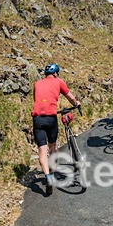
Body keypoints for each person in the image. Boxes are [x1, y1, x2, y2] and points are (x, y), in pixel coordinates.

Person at [31, 63, 80, 195]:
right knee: (53, 146)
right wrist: (76, 103)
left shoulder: (37, 83)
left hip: (37, 119)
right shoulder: (58, 81)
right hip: (50, 118)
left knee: (42, 150)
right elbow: (70, 96)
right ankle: (53, 173)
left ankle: (47, 176)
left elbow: (37, 98)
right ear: (56, 73)